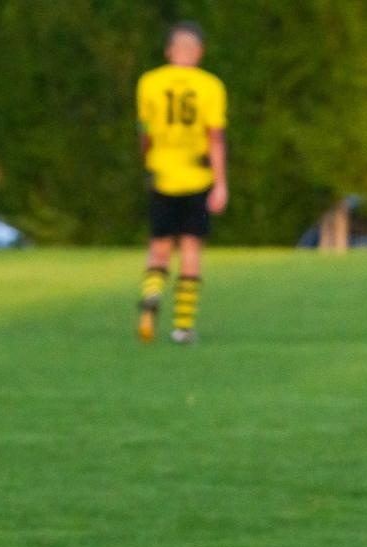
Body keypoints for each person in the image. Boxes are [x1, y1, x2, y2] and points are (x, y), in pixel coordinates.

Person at [135, 21, 227, 345]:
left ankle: (151, 295)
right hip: (196, 176)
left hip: (162, 173)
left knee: (159, 248)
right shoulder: (210, 86)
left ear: (168, 50)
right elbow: (215, 138)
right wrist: (221, 183)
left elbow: (144, 132)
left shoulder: (149, 82)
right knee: (190, 249)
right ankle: (183, 327)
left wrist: (147, 159)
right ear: (199, 52)